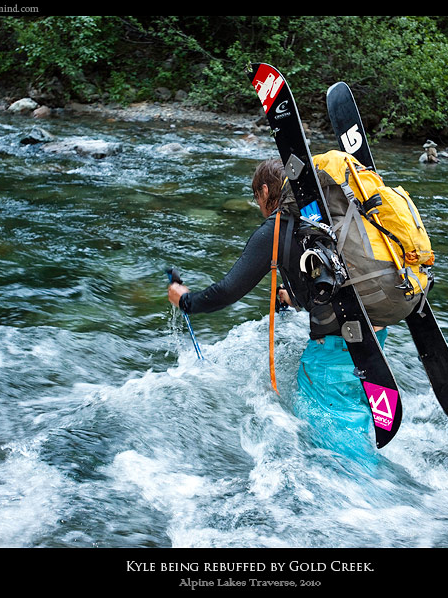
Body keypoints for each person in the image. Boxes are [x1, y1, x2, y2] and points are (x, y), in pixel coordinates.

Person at [167, 158, 391, 458]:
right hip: (375, 330)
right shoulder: (323, 216)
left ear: (263, 190)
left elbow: (228, 290)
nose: (258, 204)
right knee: (352, 420)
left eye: (256, 196)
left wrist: (185, 300)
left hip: (336, 347)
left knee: (335, 445)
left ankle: (362, 495)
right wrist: (295, 298)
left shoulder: (277, 227)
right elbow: (335, 275)